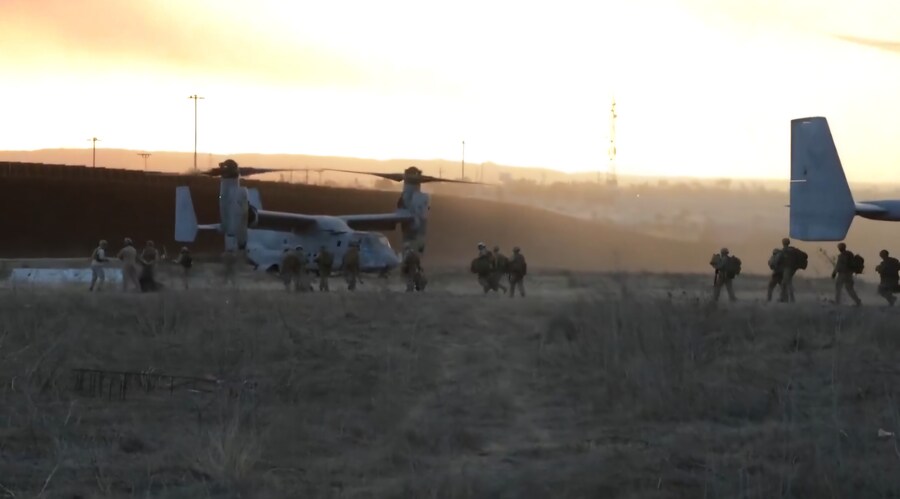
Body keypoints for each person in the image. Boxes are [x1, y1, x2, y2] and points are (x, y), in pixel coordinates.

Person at [831, 242, 862, 306]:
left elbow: (838, 265)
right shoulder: (850, 254)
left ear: (840, 248)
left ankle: (837, 302)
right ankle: (857, 301)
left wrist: (834, 273)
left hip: (843, 274)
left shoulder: (842, 255)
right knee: (849, 289)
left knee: (838, 288)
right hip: (849, 274)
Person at [779, 237, 807, 303]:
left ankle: (788, 299)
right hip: (793, 269)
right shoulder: (794, 250)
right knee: (787, 283)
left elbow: (779, 260)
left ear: (783, 243)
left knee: (786, 284)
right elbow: (805, 255)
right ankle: (786, 299)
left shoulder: (784, 251)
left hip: (787, 269)